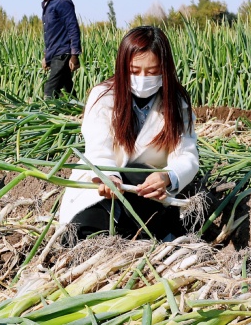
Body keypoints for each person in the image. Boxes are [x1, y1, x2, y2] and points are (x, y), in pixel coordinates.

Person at [58, 26, 199, 241]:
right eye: (134, 71)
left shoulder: (176, 104)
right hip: (104, 187)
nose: (143, 78)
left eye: (152, 72)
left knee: (149, 182)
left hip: (148, 189)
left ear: (165, 69)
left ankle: (153, 234)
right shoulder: (103, 97)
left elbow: (187, 154)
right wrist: (108, 176)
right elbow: (98, 147)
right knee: (81, 233)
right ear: (123, 67)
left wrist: (168, 176)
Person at [27, 0, 82, 99]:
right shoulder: (47, 4)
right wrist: (47, 55)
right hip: (55, 53)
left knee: (50, 90)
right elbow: (51, 34)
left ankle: (46, 116)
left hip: (63, 53)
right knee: (67, 88)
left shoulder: (62, 1)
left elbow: (73, 27)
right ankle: (79, 113)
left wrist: (74, 55)